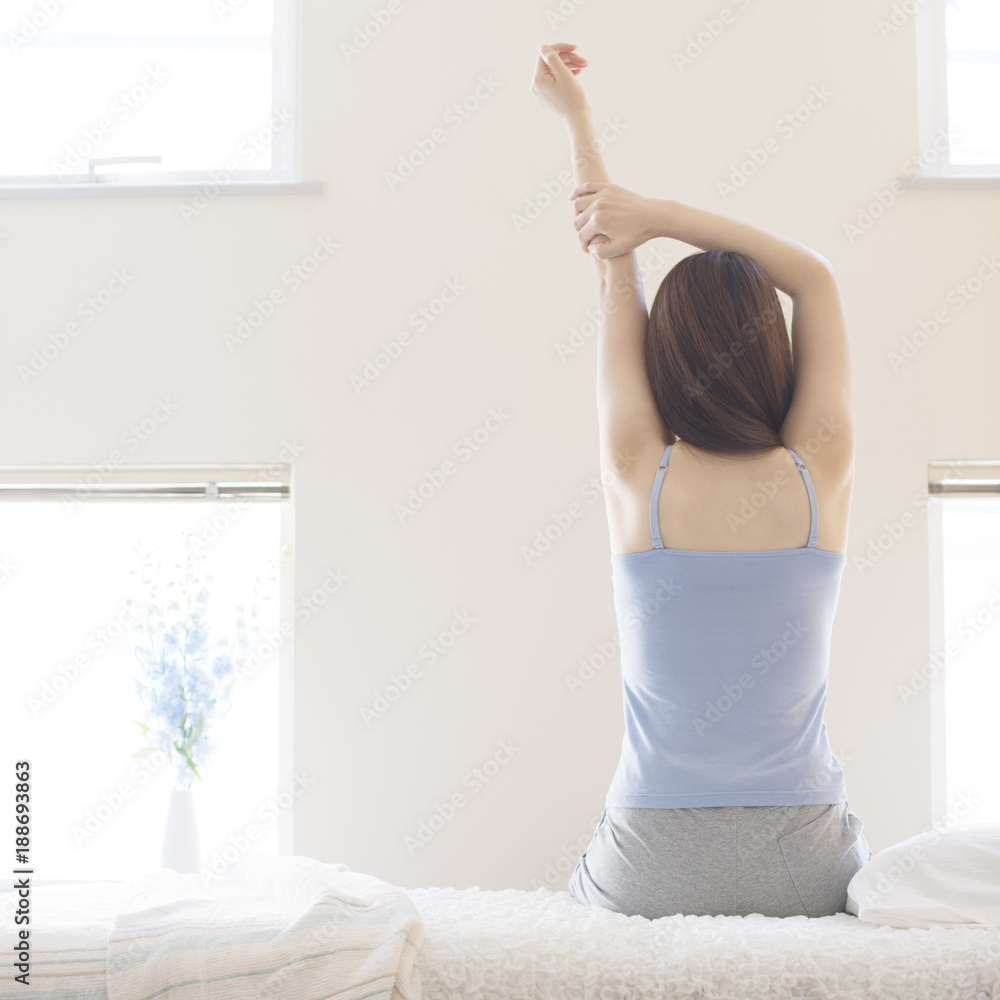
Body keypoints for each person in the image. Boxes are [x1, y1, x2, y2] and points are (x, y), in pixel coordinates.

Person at [530, 42, 873, 919]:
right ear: (773, 352)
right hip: (806, 862)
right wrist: (665, 213)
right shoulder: (816, 475)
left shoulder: (636, 476)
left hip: (655, 858)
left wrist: (580, 125)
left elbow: (611, 267)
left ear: (663, 361)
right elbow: (817, 279)